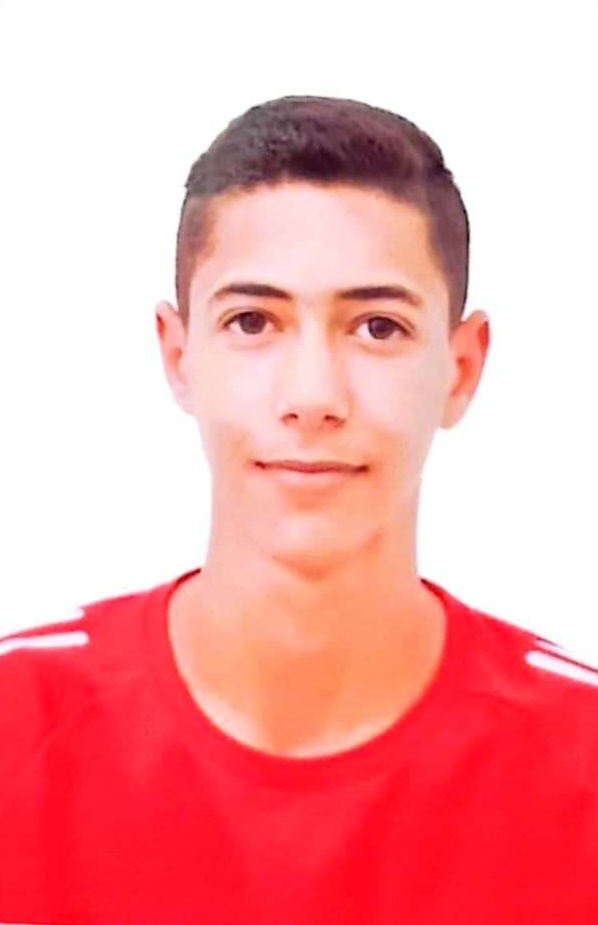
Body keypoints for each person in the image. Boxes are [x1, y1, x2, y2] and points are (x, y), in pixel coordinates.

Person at [1, 94, 597, 925]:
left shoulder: (581, 757)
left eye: (378, 327)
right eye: (253, 321)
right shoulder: (17, 726)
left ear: (461, 369)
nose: (313, 395)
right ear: (179, 355)